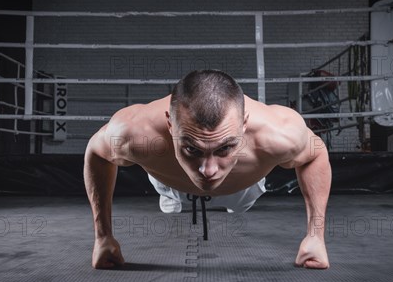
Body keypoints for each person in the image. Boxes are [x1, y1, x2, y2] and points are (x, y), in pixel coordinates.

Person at [84, 69, 331, 270]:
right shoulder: (135, 132)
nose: (207, 170)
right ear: (170, 124)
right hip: (171, 181)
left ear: (244, 124)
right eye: (192, 149)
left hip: (242, 185)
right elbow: (96, 152)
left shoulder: (278, 133)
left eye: (224, 148)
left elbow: (316, 153)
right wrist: (103, 237)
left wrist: (316, 236)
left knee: (238, 199)